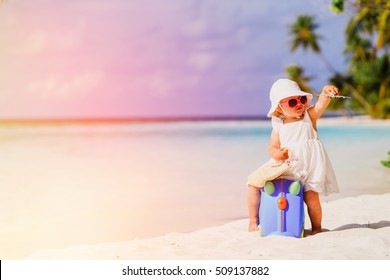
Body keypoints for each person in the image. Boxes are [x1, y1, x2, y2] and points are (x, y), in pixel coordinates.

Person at [248, 78, 339, 235]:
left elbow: (320, 105)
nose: (299, 104)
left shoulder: (309, 117)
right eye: (292, 102)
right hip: (287, 168)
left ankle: (317, 228)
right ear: (279, 107)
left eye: (302, 99)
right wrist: (277, 153)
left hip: (309, 168)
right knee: (253, 183)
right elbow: (272, 147)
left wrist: (325, 92)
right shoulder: (279, 126)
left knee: (312, 199)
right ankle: (252, 220)